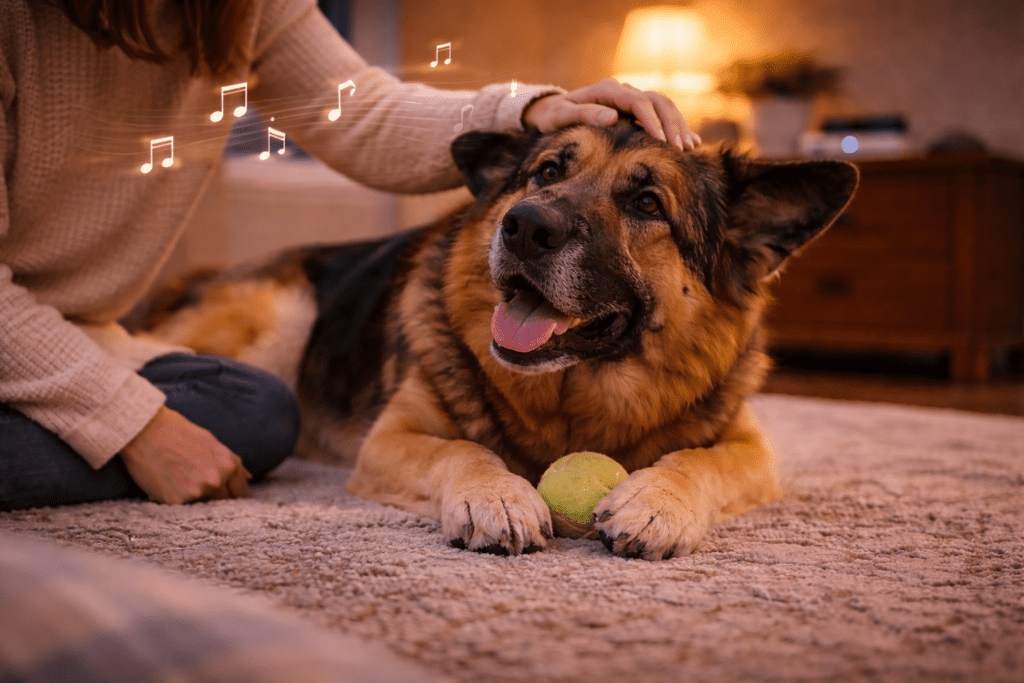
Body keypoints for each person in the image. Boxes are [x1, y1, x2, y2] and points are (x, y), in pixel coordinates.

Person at [0, 0, 699, 511]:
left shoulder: (235, 9)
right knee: (207, 426)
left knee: (257, 412)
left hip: (81, 333)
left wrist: (528, 111)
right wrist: (132, 426)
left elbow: (359, 110)